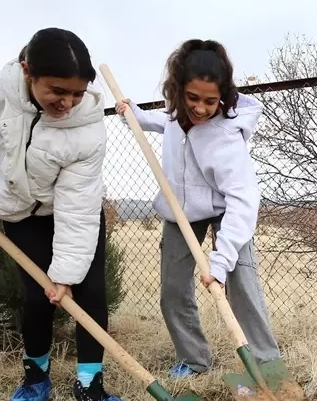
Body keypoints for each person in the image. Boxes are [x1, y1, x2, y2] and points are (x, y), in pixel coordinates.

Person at [0, 27, 127, 401]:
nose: (68, 102)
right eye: (58, 91)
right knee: (36, 295)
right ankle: (35, 375)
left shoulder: (88, 125)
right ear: (28, 71)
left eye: (77, 93)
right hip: (18, 210)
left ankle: (90, 384)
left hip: (72, 209)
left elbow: (77, 206)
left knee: (89, 290)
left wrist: (65, 274)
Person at [115, 39, 281, 378]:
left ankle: (266, 365)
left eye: (210, 100)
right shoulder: (178, 116)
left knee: (242, 286)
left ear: (223, 96)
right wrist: (135, 115)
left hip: (225, 212)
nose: (201, 109)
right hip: (180, 212)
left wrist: (220, 262)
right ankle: (194, 360)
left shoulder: (227, 138)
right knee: (173, 292)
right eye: (192, 98)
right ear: (178, 91)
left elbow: (242, 203)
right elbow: (167, 123)